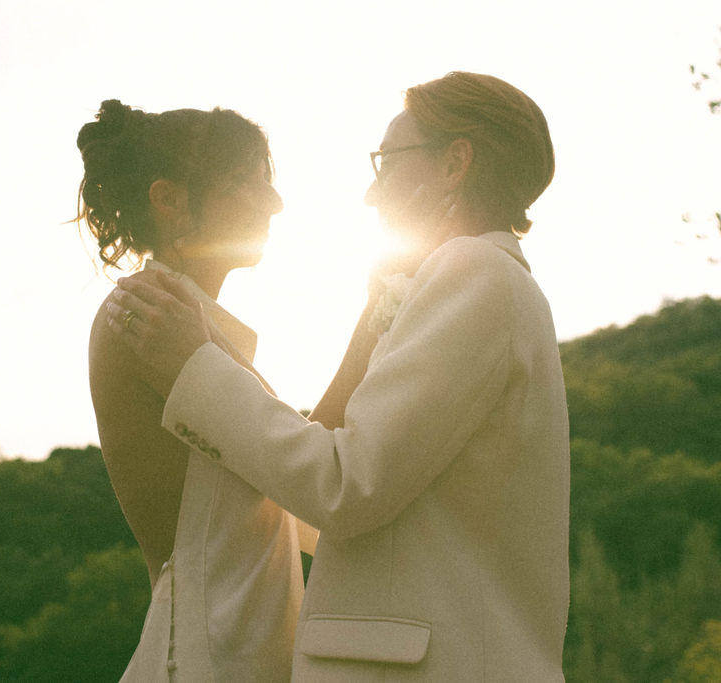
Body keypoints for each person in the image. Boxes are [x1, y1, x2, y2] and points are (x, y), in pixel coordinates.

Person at [105, 72, 570, 681]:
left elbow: (348, 488)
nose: (371, 193)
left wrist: (195, 366)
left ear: (456, 163)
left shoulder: (474, 270)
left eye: (386, 161)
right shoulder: (474, 280)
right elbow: (336, 506)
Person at [77, 99, 311, 682]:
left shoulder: (189, 321)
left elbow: (307, 472)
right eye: (249, 182)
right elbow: (307, 476)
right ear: (170, 199)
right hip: (208, 659)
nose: (275, 202)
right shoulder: (147, 314)